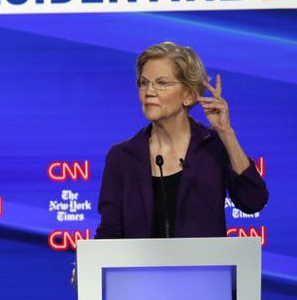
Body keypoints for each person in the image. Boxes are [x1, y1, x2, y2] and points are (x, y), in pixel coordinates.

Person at [95, 41, 268, 239]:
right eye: (144, 83)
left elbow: (253, 201)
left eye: (161, 83)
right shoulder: (122, 157)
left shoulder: (213, 147)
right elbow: (110, 233)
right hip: (139, 270)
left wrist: (226, 132)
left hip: (204, 269)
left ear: (188, 95)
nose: (149, 91)